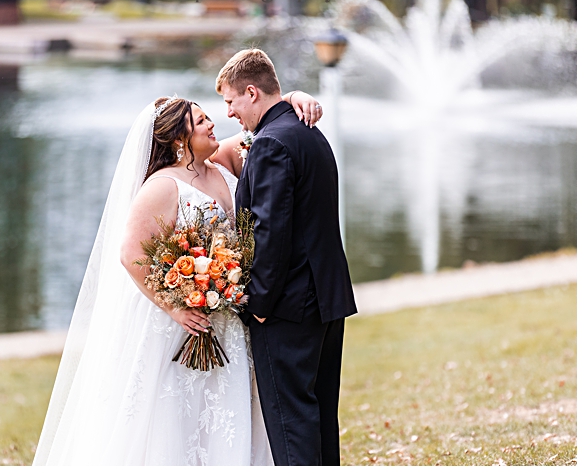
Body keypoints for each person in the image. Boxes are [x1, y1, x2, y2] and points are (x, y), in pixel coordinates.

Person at [34, 86, 326, 466]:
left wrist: (291, 98)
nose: (212, 123)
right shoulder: (162, 186)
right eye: (202, 120)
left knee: (229, 417)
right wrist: (174, 306)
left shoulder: (220, 163)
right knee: (179, 420)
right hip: (182, 327)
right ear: (178, 139)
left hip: (229, 322)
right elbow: (131, 253)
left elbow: (260, 123)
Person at [219, 48, 358, 466]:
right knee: (318, 418)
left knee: (291, 421)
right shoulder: (308, 131)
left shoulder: (271, 144)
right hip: (325, 301)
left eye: (230, 102)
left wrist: (259, 305)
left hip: (288, 307)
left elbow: (270, 232)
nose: (228, 113)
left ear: (250, 92)